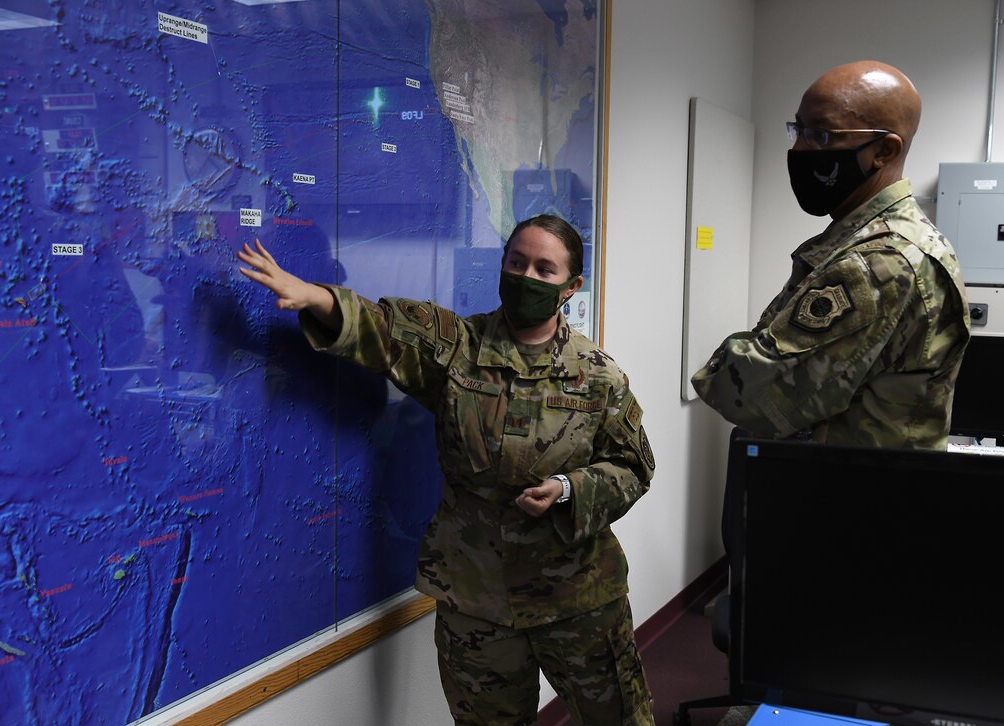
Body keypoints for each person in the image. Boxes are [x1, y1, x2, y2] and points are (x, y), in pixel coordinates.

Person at [237, 214, 656, 725]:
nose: (527, 277)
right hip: (476, 597)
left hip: (578, 597)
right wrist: (314, 296)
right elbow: (386, 329)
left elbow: (633, 467)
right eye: (517, 262)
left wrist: (571, 488)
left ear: (571, 287)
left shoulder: (599, 376)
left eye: (545, 270)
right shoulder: (458, 347)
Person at [691, 60, 970, 450]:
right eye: (799, 130)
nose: (799, 148)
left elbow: (746, 395)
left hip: (850, 500)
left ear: (884, 151)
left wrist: (730, 360)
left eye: (821, 135)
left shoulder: (877, 263)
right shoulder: (908, 237)